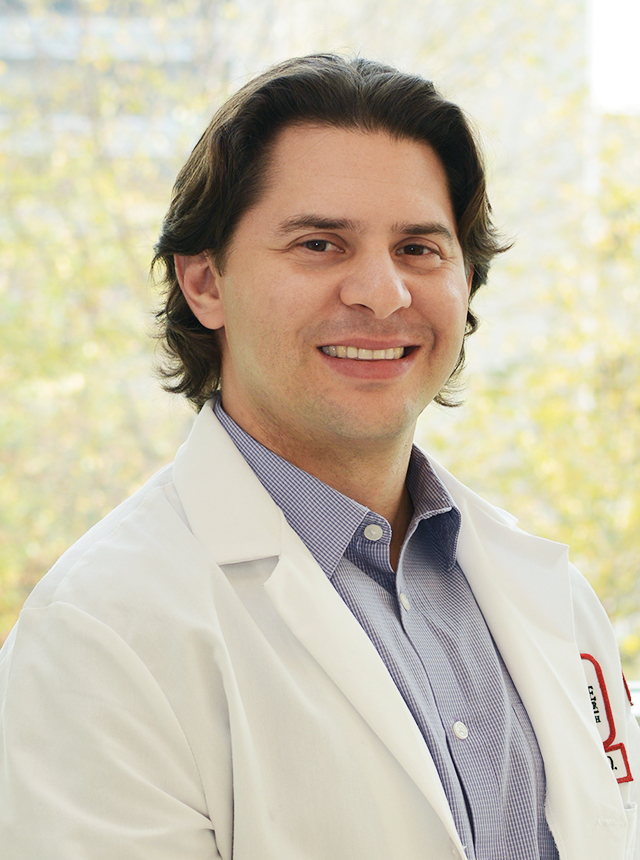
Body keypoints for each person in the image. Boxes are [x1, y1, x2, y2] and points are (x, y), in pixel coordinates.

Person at [0, 54, 638, 860]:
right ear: (204, 283)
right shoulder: (101, 634)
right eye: (320, 244)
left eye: (419, 249)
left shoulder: (549, 595)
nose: (382, 292)